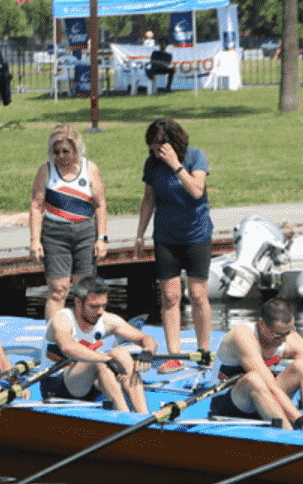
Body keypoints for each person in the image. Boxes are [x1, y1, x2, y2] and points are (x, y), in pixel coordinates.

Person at [134, 118, 213, 374]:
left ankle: (203, 350)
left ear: (174, 143)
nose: (156, 152)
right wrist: (140, 234)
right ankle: (174, 353)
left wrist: (175, 165)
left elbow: (197, 191)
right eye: (152, 147)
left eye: (160, 147)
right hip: (166, 236)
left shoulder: (195, 157)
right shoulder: (152, 165)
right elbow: (148, 200)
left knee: (198, 294)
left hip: (196, 234)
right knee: (170, 296)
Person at [208, 298, 303, 434]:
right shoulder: (242, 336)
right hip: (232, 404)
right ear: (261, 324)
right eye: (278, 335)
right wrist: (300, 422)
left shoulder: (290, 337)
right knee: (254, 379)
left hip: (268, 403)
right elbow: (270, 387)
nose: (284, 340)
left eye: (288, 332)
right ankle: (291, 437)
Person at [42, 276, 160, 414]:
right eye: (94, 306)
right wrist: (106, 359)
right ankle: (124, 415)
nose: (100, 311)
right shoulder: (63, 319)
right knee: (100, 360)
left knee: (120, 353)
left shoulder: (106, 319)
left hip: (89, 384)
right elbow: (68, 348)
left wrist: (148, 351)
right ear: (78, 303)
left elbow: (145, 339)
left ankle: (143, 415)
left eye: (104, 305)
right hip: (56, 385)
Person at [30, 124, 109, 321]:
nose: (61, 156)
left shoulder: (90, 169)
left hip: (85, 233)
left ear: (76, 150)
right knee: (58, 289)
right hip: (55, 234)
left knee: (84, 290)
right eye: (56, 152)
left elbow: (100, 205)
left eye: (66, 151)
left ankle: (83, 335)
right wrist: (34, 241)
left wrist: (101, 238)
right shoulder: (46, 171)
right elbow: (36, 206)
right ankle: (55, 337)